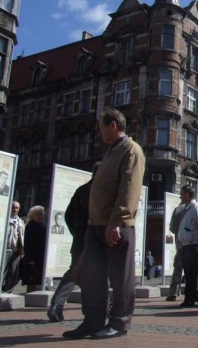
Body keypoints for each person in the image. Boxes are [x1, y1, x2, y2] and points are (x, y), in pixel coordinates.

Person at [63, 107, 145, 339]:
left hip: (115, 225)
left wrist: (117, 221)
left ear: (112, 126)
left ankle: (119, 322)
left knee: (121, 277)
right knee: (92, 275)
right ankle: (92, 321)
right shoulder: (111, 152)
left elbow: (129, 188)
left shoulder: (131, 150)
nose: (99, 133)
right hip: (96, 225)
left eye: (101, 127)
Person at [47, 163, 98, 322]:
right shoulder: (99, 192)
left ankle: (57, 305)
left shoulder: (80, 191)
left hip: (79, 239)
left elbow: (68, 215)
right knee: (98, 273)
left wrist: (75, 232)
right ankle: (101, 308)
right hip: (94, 240)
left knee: (75, 271)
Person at [177, 184, 198, 307]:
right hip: (187, 243)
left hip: (193, 243)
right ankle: (195, 295)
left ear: (187, 194)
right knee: (188, 271)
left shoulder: (196, 208)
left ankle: (189, 298)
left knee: (191, 272)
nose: (180, 196)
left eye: (182, 194)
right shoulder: (187, 208)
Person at [166, 186, 191, 301]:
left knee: (177, 269)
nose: (180, 197)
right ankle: (195, 292)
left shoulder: (177, 210)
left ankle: (173, 292)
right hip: (191, 244)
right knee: (192, 268)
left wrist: (178, 232)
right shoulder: (194, 208)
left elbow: (171, 227)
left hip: (180, 244)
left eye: (181, 195)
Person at [22, 205, 46, 293]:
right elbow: (28, 242)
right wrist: (30, 258)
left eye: (41, 214)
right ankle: (29, 294)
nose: (40, 216)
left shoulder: (42, 225)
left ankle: (33, 294)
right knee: (31, 278)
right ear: (33, 215)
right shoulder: (30, 226)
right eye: (38, 214)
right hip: (33, 257)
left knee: (37, 278)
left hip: (40, 256)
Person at [2, 201, 23, 293]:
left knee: (13, 271)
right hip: (6, 248)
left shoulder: (20, 221)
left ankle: (9, 290)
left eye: (17, 208)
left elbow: (22, 236)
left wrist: (22, 250)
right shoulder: (5, 219)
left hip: (16, 250)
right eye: (13, 207)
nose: (15, 209)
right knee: (3, 270)